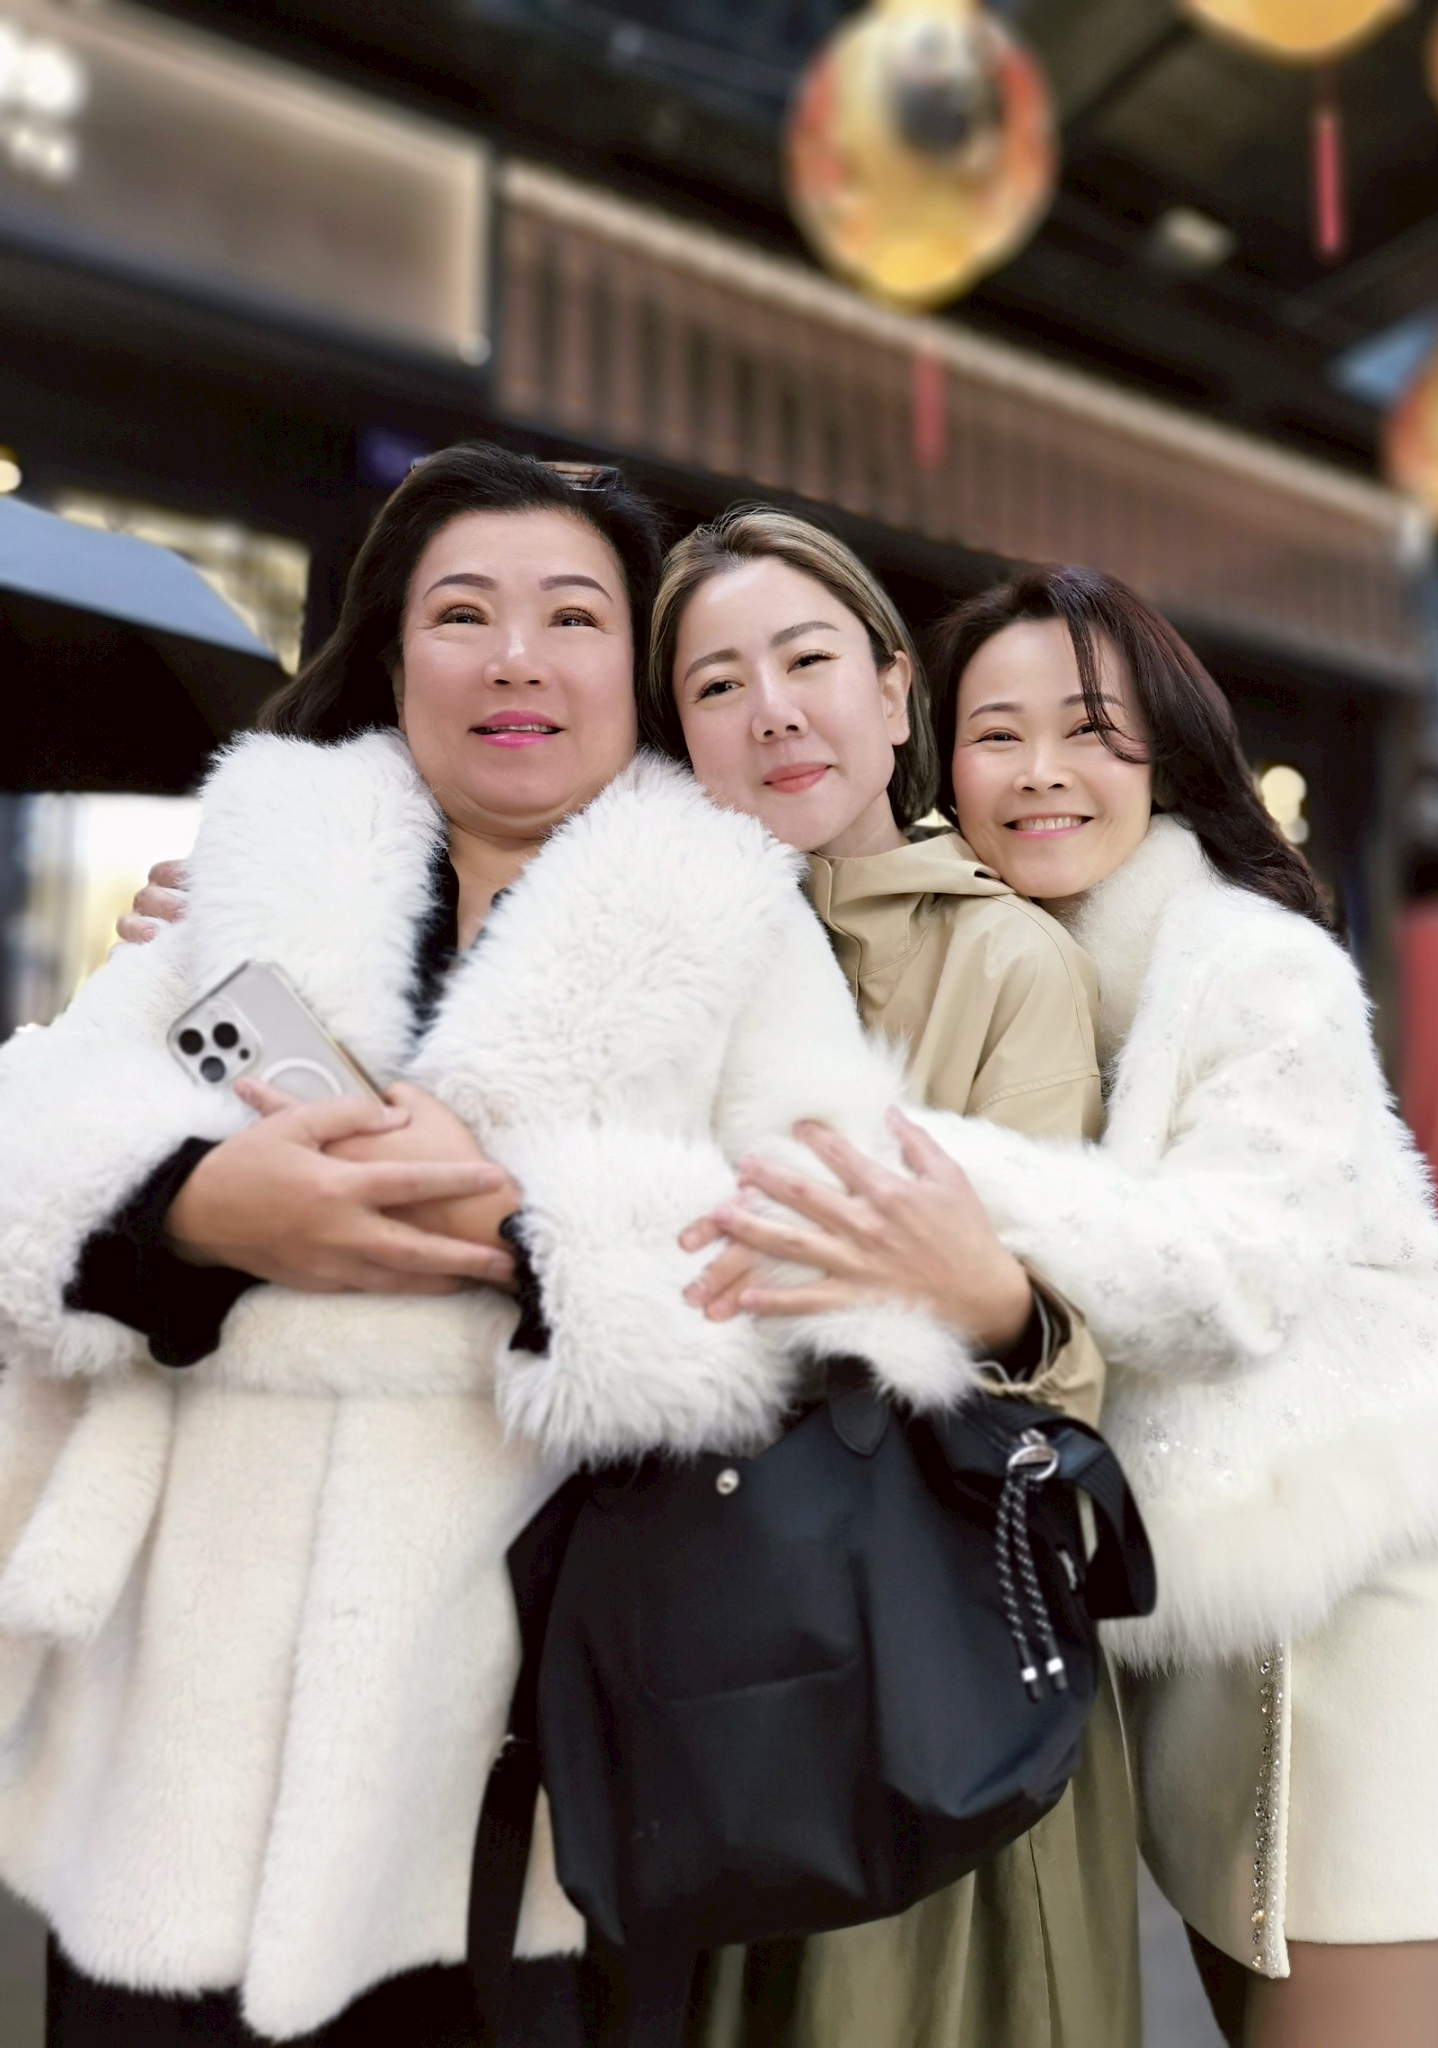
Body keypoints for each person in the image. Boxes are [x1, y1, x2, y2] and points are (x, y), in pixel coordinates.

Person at [0, 448, 990, 2047]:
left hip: (536, 1775)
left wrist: (526, 1233)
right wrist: (186, 1209)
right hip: (168, 1756)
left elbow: (849, 1275)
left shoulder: (733, 913)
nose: (516, 658)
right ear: (395, 658)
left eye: (573, 617)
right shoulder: (250, 863)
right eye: (462, 613)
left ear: (634, 673)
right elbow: (26, 1145)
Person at [696, 559, 1438, 2048]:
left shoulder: (1259, 968)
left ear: (1167, 756)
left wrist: (913, 1163)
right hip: (1194, 1628)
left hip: (1359, 1613)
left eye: (1089, 730)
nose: (1041, 772)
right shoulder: (1022, 963)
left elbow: (1226, 1276)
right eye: (998, 732)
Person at [639, 508, 1139, 2048]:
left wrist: (958, 1290)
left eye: (807, 661)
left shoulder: (1005, 961)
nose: (772, 711)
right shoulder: (654, 944)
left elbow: (1055, 1339)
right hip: (703, 1637)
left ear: (895, 690)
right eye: (717, 685)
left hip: (928, 1641)